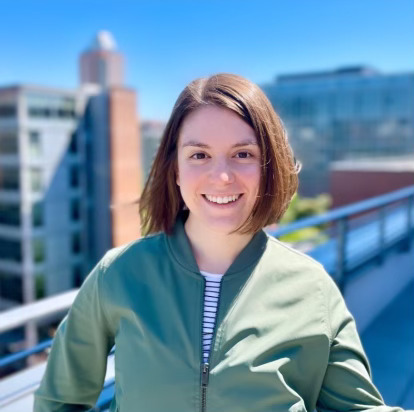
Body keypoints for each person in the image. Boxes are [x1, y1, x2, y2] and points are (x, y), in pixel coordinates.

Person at [34, 73, 410, 412]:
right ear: (175, 170)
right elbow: (58, 402)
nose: (222, 176)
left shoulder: (313, 289)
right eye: (199, 155)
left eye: (243, 154)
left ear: (268, 167)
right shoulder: (118, 274)